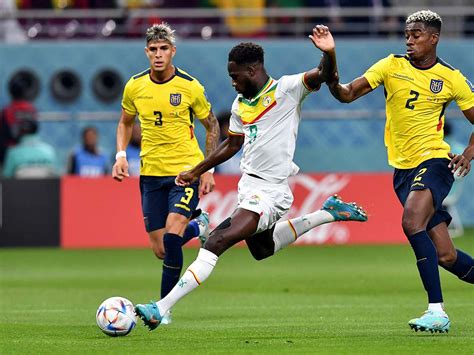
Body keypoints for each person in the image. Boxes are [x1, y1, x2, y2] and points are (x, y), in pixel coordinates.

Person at [135, 25, 368, 330]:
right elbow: (232, 144)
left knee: (216, 241)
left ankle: (160, 307)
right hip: (249, 187)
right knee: (262, 249)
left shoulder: (287, 88)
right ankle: (328, 212)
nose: (232, 82)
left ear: (252, 69)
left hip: (271, 192)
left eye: (235, 76)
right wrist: (197, 170)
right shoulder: (239, 105)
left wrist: (329, 52)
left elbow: (324, 75)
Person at [325, 10, 474, 333]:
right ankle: (438, 307)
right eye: (407, 34)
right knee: (446, 256)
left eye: (417, 34)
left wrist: (469, 153)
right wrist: (330, 66)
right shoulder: (390, 66)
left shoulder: (451, 78)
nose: (409, 40)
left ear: (434, 38)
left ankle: (437, 311)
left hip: (435, 162)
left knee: (411, 222)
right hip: (402, 171)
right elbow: (347, 94)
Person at [112, 23, 220, 324]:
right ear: (146, 52)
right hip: (150, 174)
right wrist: (121, 156)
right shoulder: (135, 86)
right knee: (161, 249)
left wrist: (206, 168)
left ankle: (163, 309)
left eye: (163, 49)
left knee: (172, 240)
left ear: (173, 51)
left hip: (184, 172)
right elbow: (124, 123)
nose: (158, 55)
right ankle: (199, 226)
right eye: (153, 50)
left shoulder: (190, 86)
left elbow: (212, 125)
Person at [0, 78, 37, 168]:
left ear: (11, 93)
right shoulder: (31, 109)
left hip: (9, 155)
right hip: (31, 153)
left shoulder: (6, 111)